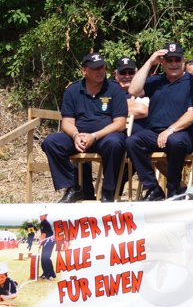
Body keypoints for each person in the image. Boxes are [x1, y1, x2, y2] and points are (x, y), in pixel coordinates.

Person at [41, 53, 128, 203]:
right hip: (79, 137)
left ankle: (108, 191)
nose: (100, 71)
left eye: (102, 67)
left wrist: (94, 136)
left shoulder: (114, 89)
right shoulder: (72, 90)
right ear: (84, 71)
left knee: (115, 142)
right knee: (51, 142)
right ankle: (73, 188)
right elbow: (67, 122)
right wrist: (76, 135)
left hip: (105, 137)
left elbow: (120, 123)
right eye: (95, 68)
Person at [126, 43, 193, 200]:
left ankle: (174, 188)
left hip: (181, 133)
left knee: (175, 142)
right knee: (132, 142)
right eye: (169, 60)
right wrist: (150, 62)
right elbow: (133, 90)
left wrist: (170, 130)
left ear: (183, 60)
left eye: (177, 60)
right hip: (154, 133)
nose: (174, 64)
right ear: (162, 62)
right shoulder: (156, 80)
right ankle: (153, 188)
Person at [37, 211, 55, 280]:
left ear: (45, 216)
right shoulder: (43, 223)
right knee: (44, 258)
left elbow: (44, 235)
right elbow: (43, 234)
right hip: (48, 241)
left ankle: (50, 274)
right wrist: (40, 241)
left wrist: (40, 243)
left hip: (49, 242)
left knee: (46, 258)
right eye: (40, 216)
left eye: (42, 216)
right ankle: (46, 273)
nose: (40, 217)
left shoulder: (44, 223)